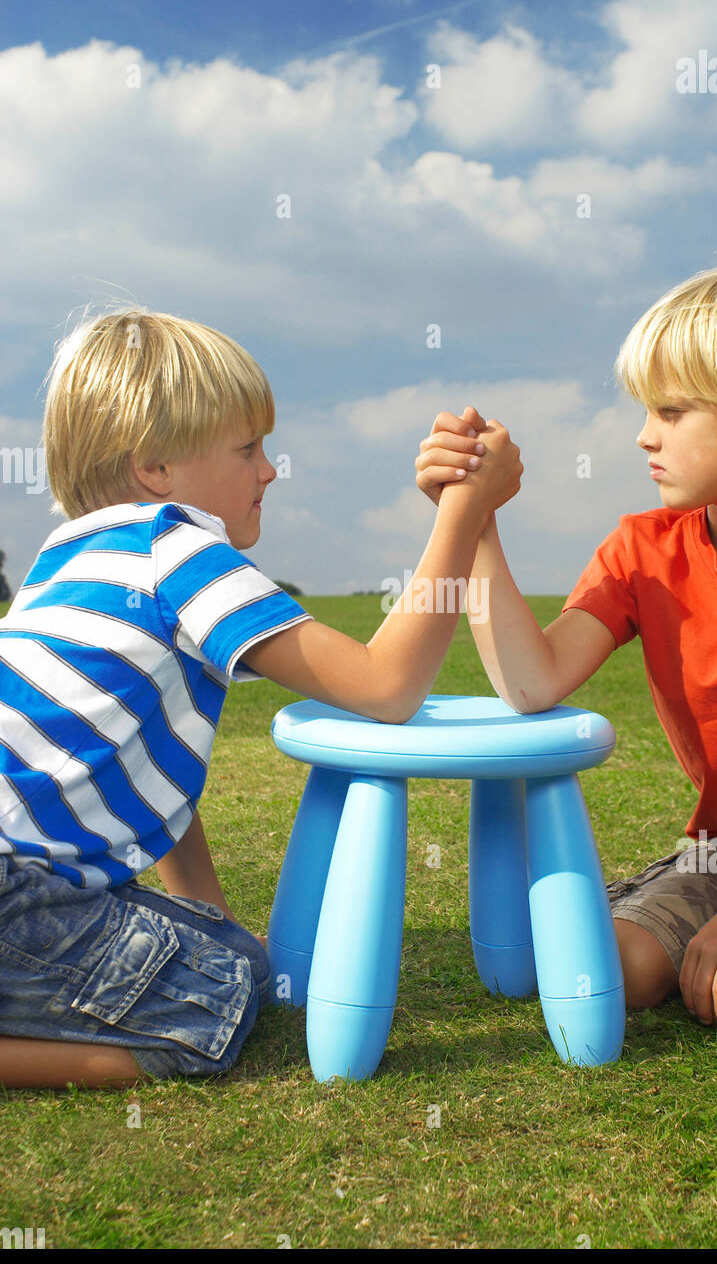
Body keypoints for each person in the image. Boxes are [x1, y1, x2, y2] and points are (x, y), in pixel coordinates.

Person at [0, 309, 522, 1089]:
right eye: (248, 449)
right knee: (219, 996)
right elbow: (387, 688)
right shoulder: (177, 549)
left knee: (233, 954)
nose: (270, 470)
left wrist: (213, 920)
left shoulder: (60, 564)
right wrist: (465, 512)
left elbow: (138, 761)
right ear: (155, 469)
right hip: (16, 898)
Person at [416, 253, 717, 1040]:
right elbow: (532, 682)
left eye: (672, 411)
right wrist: (476, 517)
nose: (642, 436)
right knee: (605, 972)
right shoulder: (642, 548)